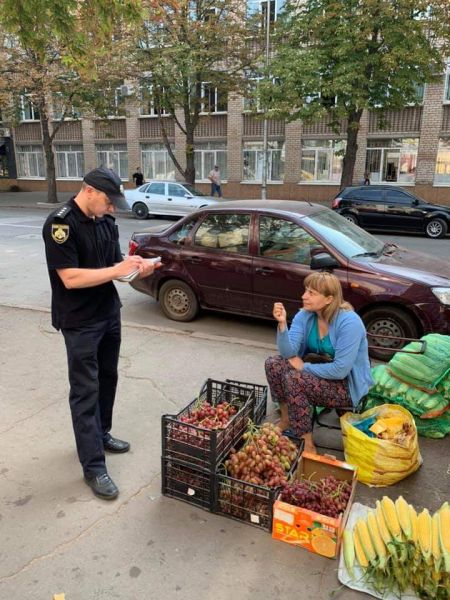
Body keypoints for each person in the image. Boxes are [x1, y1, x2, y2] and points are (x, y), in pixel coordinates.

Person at [42, 167, 159, 500]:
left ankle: (102, 433)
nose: (112, 208)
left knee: (108, 377)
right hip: (80, 321)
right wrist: (117, 269)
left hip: (108, 314)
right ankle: (93, 467)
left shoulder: (105, 221)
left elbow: (116, 268)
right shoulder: (61, 224)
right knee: (84, 391)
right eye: (109, 201)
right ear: (89, 191)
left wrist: (138, 268)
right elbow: (70, 278)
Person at [265, 272, 373, 454]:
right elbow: (288, 353)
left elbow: (340, 370)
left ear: (329, 299)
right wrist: (282, 325)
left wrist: (304, 367)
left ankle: (307, 445)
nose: (304, 296)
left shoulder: (349, 322)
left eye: (312, 293)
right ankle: (286, 419)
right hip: (319, 370)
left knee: (295, 379)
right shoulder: (305, 315)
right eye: (306, 290)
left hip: (346, 384)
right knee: (274, 364)